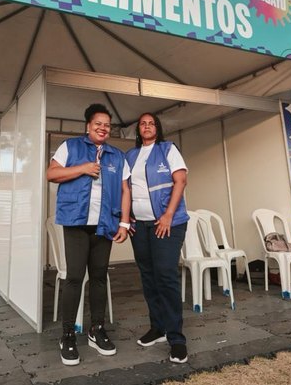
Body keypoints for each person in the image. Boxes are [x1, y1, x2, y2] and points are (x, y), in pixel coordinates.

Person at [47, 103, 131, 366]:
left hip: (105, 224)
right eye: (98, 123)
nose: (103, 128)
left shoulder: (117, 156)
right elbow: (52, 173)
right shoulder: (70, 147)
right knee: (74, 278)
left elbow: (125, 190)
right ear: (88, 126)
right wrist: (82, 168)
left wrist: (125, 224)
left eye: (107, 124)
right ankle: (68, 334)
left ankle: (96, 330)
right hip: (76, 222)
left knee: (98, 277)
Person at [124, 112, 190, 364]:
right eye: (143, 123)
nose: (147, 126)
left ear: (157, 128)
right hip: (139, 226)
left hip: (166, 223)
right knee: (148, 276)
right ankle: (158, 327)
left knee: (165, 275)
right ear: (138, 130)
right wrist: (126, 217)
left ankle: (177, 338)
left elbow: (180, 181)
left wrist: (167, 216)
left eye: (151, 123)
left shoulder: (167, 149)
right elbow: (125, 189)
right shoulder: (130, 156)